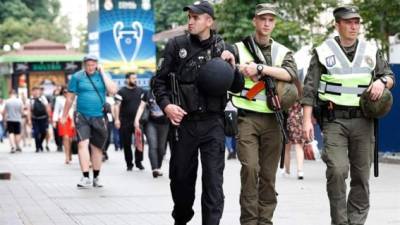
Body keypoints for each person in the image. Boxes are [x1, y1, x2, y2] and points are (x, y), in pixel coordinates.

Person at [302, 6, 395, 225]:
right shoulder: (323, 51)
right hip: (335, 120)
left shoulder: (370, 50)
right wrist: (306, 120)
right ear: (338, 25)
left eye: (356, 22)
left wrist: (382, 82)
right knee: (337, 170)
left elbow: (389, 75)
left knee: (361, 177)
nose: (354, 26)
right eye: (348, 22)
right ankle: (340, 222)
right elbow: (309, 88)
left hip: (364, 121)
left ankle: (356, 221)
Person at [152, 1, 243, 224]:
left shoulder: (226, 49)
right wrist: (166, 105)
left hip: (213, 123)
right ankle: (181, 218)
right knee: (181, 180)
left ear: (209, 21)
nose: (190, 21)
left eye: (196, 17)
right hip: (184, 123)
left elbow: (237, 86)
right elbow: (158, 82)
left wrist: (233, 67)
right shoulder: (176, 46)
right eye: (189, 17)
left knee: (213, 182)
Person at [231, 3, 298, 225]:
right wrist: (240, 68)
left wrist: (260, 69)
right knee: (250, 169)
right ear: (255, 21)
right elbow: (225, 66)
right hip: (247, 118)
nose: (266, 23)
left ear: (274, 23)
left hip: (274, 121)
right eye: (262, 19)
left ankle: (265, 221)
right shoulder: (238, 48)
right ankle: (249, 221)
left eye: (271, 19)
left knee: (268, 177)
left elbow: (290, 74)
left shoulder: (282, 51)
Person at [61, 54, 117, 188]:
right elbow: (69, 98)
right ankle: (85, 176)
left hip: (99, 116)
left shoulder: (103, 75)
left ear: (97, 64)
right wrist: (64, 115)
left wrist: (103, 72)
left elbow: (113, 91)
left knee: (97, 147)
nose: (90, 67)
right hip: (82, 116)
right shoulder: (77, 77)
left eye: (93, 65)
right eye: (88, 65)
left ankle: (96, 177)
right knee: (82, 144)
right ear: (84, 65)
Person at [134, 88, 170, 178]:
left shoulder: (167, 92)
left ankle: (158, 167)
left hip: (165, 123)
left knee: (161, 148)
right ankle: (154, 168)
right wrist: (136, 120)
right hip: (151, 123)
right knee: (153, 145)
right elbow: (141, 107)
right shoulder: (148, 93)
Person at [114, 73, 145, 171]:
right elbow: (117, 106)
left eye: (136, 78)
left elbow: (144, 104)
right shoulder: (121, 92)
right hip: (125, 121)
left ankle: (139, 162)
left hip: (138, 121)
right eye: (133, 78)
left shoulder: (141, 91)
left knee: (140, 142)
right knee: (126, 143)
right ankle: (129, 163)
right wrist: (117, 119)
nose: (135, 80)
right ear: (127, 79)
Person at [283, 79, 305, 179]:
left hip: (287, 119)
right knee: (299, 146)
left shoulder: (287, 90)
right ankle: (300, 171)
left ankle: (287, 170)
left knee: (286, 147)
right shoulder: (301, 91)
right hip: (298, 119)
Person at [53, 86, 75, 164]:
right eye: (64, 92)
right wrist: (54, 121)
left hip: (72, 119)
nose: (66, 93)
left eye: (68, 92)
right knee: (65, 137)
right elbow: (56, 110)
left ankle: (70, 152)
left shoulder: (75, 98)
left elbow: (76, 109)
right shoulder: (59, 99)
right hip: (63, 119)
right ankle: (66, 156)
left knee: (71, 139)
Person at [30, 86, 51, 153]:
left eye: (37, 90)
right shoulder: (31, 99)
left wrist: (49, 117)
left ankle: (40, 143)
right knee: (36, 133)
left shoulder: (43, 98)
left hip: (43, 118)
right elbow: (29, 110)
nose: (36, 92)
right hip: (35, 118)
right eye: (34, 91)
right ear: (32, 92)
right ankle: (37, 147)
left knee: (43, 132)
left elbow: (47, 107)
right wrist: (29, 119)